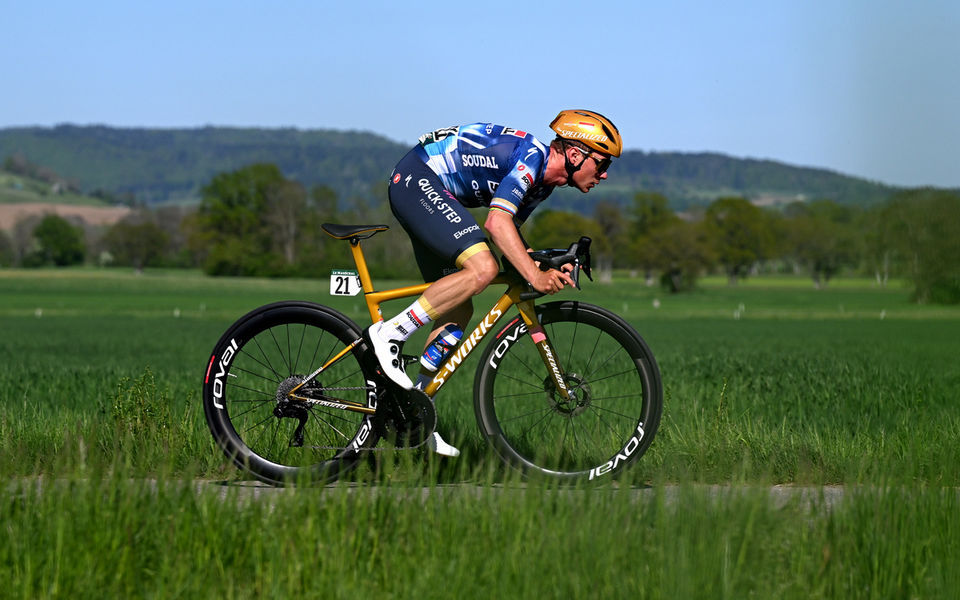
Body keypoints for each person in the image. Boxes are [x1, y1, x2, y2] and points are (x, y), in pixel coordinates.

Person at [363, 109, 623, 456]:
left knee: (458, 306)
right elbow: (497, 224)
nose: (604, 175)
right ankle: (390, 334)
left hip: (426, 186)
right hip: (418, 178)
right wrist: (533, 275)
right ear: (575, 154)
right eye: (603, 165)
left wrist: (542, 263)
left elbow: (510, 235)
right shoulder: (532, 159)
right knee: (482, 270)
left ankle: (412, 414)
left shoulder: (544, 184)